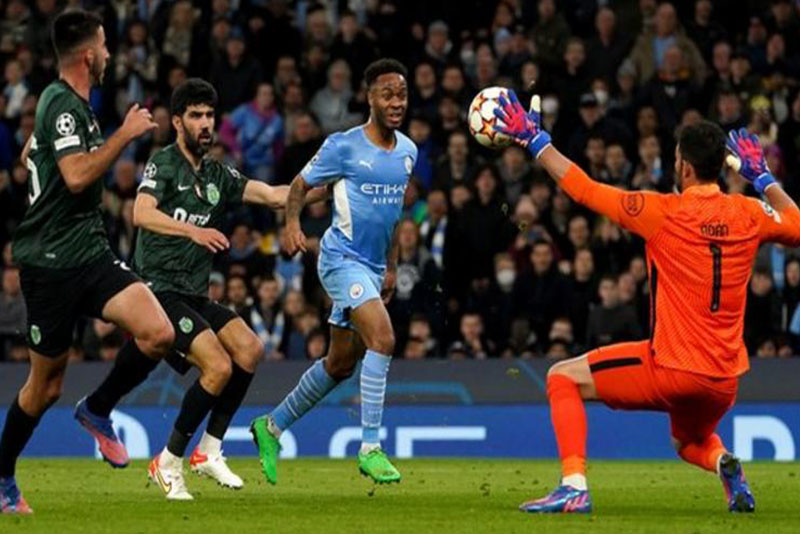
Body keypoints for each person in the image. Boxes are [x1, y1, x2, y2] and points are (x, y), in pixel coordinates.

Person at [494, 88, 800, 513]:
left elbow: (583, 189)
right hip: (722, 380)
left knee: (562, 377)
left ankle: (574, 486)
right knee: (687, 442)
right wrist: (763, 176)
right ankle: (724, 463)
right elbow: (796, 224)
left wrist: (535, 141)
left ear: (685, 167)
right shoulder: (749, 213)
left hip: (672, 368)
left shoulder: (661, 212)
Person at [76, 79, 325, 501]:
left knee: (249, 349)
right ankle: (168, 461)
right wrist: (193, 231)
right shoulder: (163, 163)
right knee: (218, 366)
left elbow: (274, 195)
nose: (205, 123)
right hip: (157, 291)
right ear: (177, 122)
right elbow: (141, 213)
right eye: (195, 115)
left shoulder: (217, 174)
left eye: (209, 115)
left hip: (193, 294)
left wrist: (328, 187)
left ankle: (208, 450)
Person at [0, 10, 174, 515]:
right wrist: (125, 134)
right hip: (49, 264)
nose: (110, 55)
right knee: (44, 387)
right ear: (88, 55)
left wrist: (43, 152)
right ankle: (3, 475)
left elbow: (31, 154)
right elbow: (76, 176)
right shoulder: (61, 101)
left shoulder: (70, 107)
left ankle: (97, 409)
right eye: (105, 47)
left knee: (158, 333)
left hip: (90, 251)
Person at [250, 58, 416, 485]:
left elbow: (393, 216)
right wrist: (292, 226)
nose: (396, 102)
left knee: (340, 364)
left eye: (401, 94)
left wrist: (392, 266)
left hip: (374, 267)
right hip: (340, 260)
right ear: (369, 98)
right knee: (383, 338)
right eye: (387, 94)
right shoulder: (343, 146)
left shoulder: (408, 152)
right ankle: (371, 448)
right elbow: (300, 186)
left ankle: (271, 427)